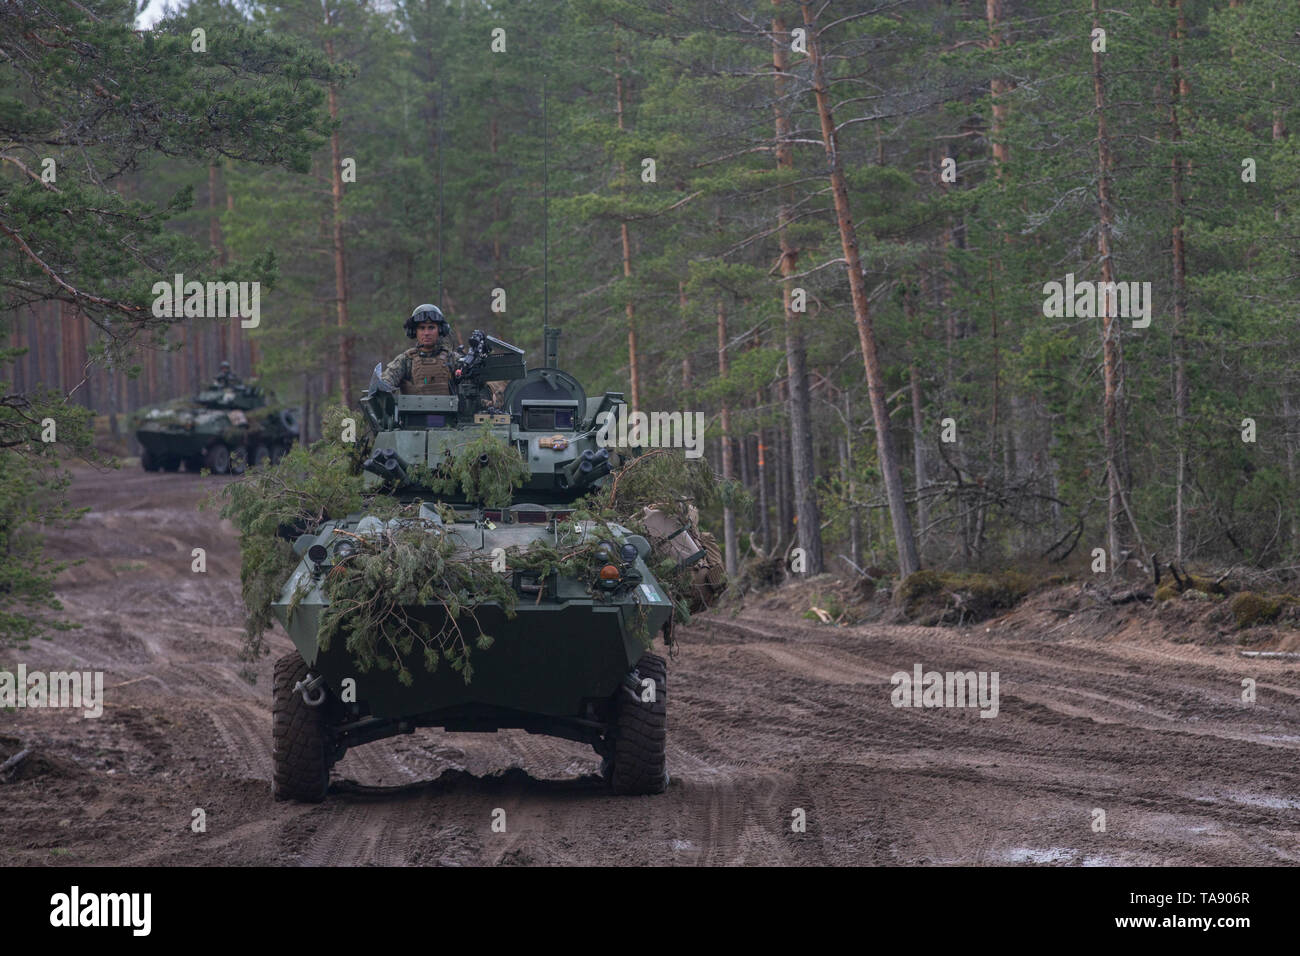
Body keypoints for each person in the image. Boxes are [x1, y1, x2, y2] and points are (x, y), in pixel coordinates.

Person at [382, 304, 453, 394]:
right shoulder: (406, 360)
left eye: (431, 327)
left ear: (440, 330)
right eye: (422, 328)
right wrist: (384, 387)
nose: (426, 333)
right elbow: (387, 380)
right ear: (414, 331)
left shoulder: (452, 359)